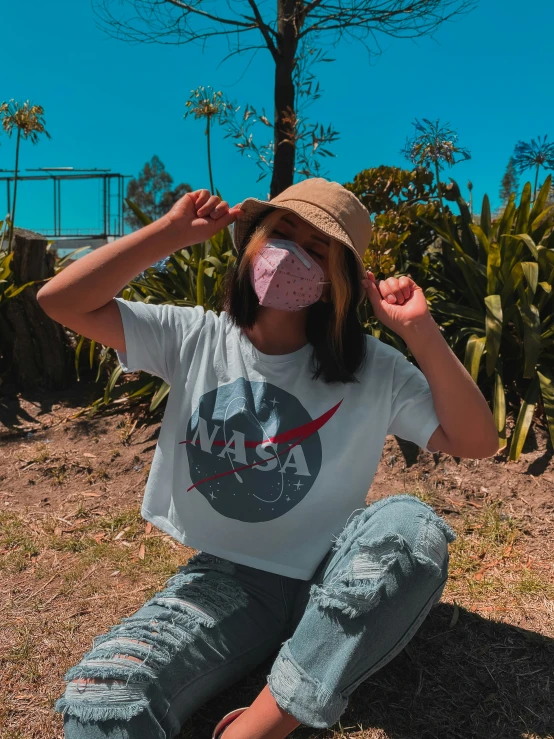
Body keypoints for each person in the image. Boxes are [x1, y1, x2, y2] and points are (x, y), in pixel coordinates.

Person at [38, 178, 498, 739]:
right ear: (251, 241)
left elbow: (477, 440)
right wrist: (167, 234)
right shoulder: (194, 337)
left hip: (339, 567)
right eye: (281, 232)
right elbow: (59, 301)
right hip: (232, 581)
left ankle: (260, 726)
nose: (290, 254)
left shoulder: (372, 368)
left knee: (412, 528)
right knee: (103, 698)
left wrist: (420, 331)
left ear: (338, 282)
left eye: (317, 248)